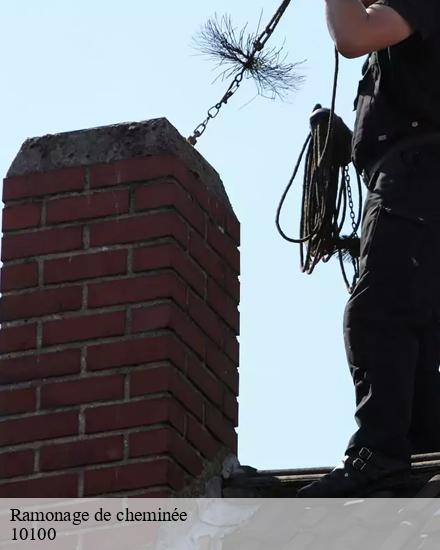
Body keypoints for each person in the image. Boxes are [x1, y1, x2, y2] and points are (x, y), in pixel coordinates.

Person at [298, 0, 440, 497]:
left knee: (377, 314)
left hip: (416, 177)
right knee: (417, 324)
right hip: (415, 177)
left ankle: (380, 453)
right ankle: (421, 446)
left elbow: (351, 35)